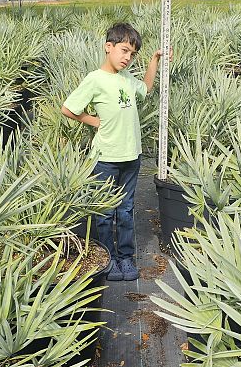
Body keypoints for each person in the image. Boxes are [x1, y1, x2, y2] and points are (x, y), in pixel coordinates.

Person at [61, 22, 165, 282]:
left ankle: (125, 257)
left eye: (132, 54)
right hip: (106, 159)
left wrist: (154, 60)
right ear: (109, 47)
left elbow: (146, 88)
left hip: (131, 156)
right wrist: (95, 122)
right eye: (124, 50)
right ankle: (107, 257)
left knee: (126, 209)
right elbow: (68, 108)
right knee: (106, 211)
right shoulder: (95, 79)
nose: (127, 57)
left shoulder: (127, 79)